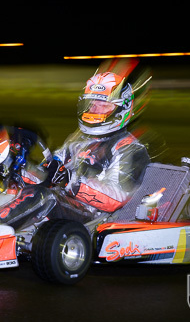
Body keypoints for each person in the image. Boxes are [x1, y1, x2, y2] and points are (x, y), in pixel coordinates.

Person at [43, 58, 152, 221]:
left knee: (44, 199)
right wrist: (20, 166)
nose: (95, 109)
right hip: (67, 207)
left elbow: (117, 198)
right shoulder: (79, 140)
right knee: (18, 192)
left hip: (97, 219)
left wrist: (70, 180)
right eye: (92, 103)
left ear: (122, 108)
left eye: (104, 105)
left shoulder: (130, 148)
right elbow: (50, 169)